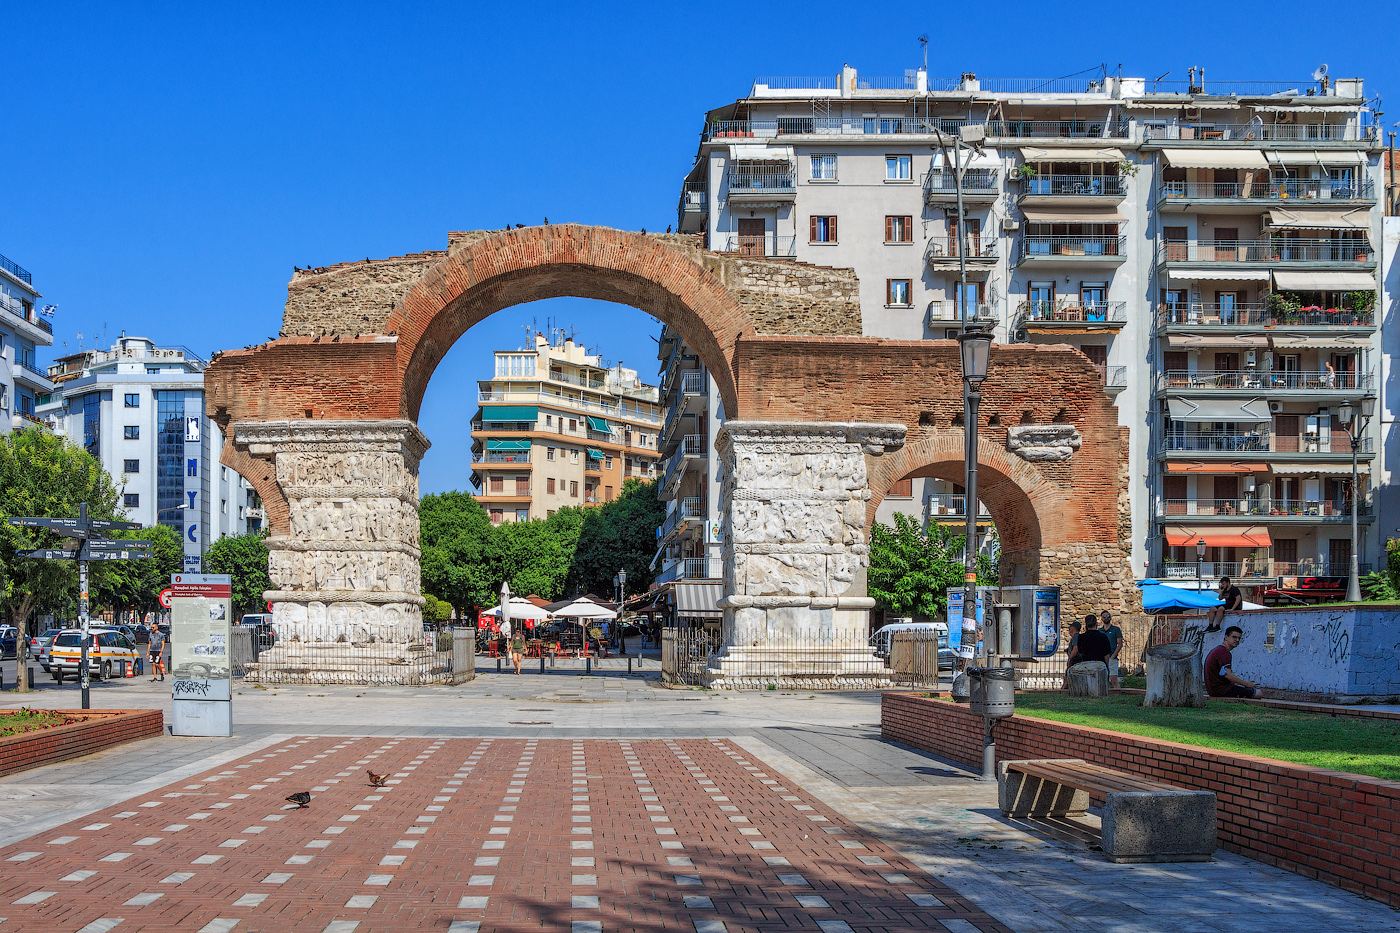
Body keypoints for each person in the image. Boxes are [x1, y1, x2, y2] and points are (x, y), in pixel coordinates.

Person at [1205, 626, 1259, 698]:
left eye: (1239, 638)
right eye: (1234, 637)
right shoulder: (1224, 653)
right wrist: (1246, 684)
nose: (1237, 640)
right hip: (1222, 690)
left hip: (1214, 690)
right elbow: (1228, 675)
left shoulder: (1218, 650)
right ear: (1226, 637)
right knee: (1258, 693)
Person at [1101, 610, 1124, 688]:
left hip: (1112, 657)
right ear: (1101, 618)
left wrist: (1113, 656)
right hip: (1102, 658)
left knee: (1113, 679)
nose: (1106, 618)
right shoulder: (1100, 631)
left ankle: (1118, 693)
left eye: (1108, 616)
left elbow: (1120, 644)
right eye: (1104, 616)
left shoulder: (1116, 629)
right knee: (1103, 680)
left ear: (1110, 618)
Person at [1060, 620, 1082, 688]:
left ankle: (1062, 690)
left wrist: (1070, 659)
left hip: (1074, 661)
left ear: (1074, 628)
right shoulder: (1077, 637)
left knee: (1067, 677)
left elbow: (1075, 649)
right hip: (1076, 661)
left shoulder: (1076, 637)